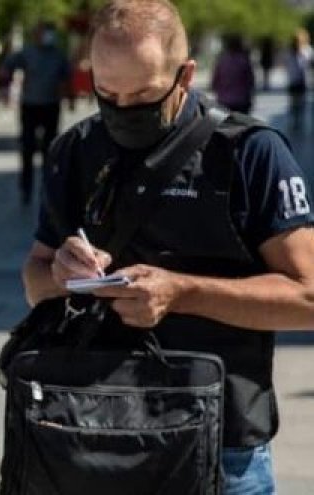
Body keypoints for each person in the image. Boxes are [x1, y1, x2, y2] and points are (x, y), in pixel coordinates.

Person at [22, 1, 314, 494]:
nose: (123, 109)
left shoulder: (249, 152)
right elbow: (35, 279)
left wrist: (182, 293)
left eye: (143, 94)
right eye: (107, 93)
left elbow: (307, 299)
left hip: (222, 447)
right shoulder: (74, 150)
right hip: (94, 432)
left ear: (185, 75)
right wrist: (58, 274)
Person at [1, 22, 72, 206]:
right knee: (27, 148)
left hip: (51, 105)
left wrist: (69, 97)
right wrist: (5, 86)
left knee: (51, 150)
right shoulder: (27, 53)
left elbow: (67, 77)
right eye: (43, 32)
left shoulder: (58, 55)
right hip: (30, 105)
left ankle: (48, 190)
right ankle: (26, 189)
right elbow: (8, 66)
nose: (46, 36)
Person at [211, 34, 255, 114]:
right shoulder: (244, 61)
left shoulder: (222, 61)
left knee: (226, 125)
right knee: (242, 125)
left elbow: (215, 81)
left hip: (224, 101)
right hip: (241, 101)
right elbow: (250, 81)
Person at [285, 29, 312, 131]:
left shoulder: (307, 50)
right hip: (293, 80)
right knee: (293, 103)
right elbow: (287, 63)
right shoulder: (290, 51)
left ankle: (299, 121)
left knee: (301, 102)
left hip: (303, 81)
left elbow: (307, 65)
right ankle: (295, 121)